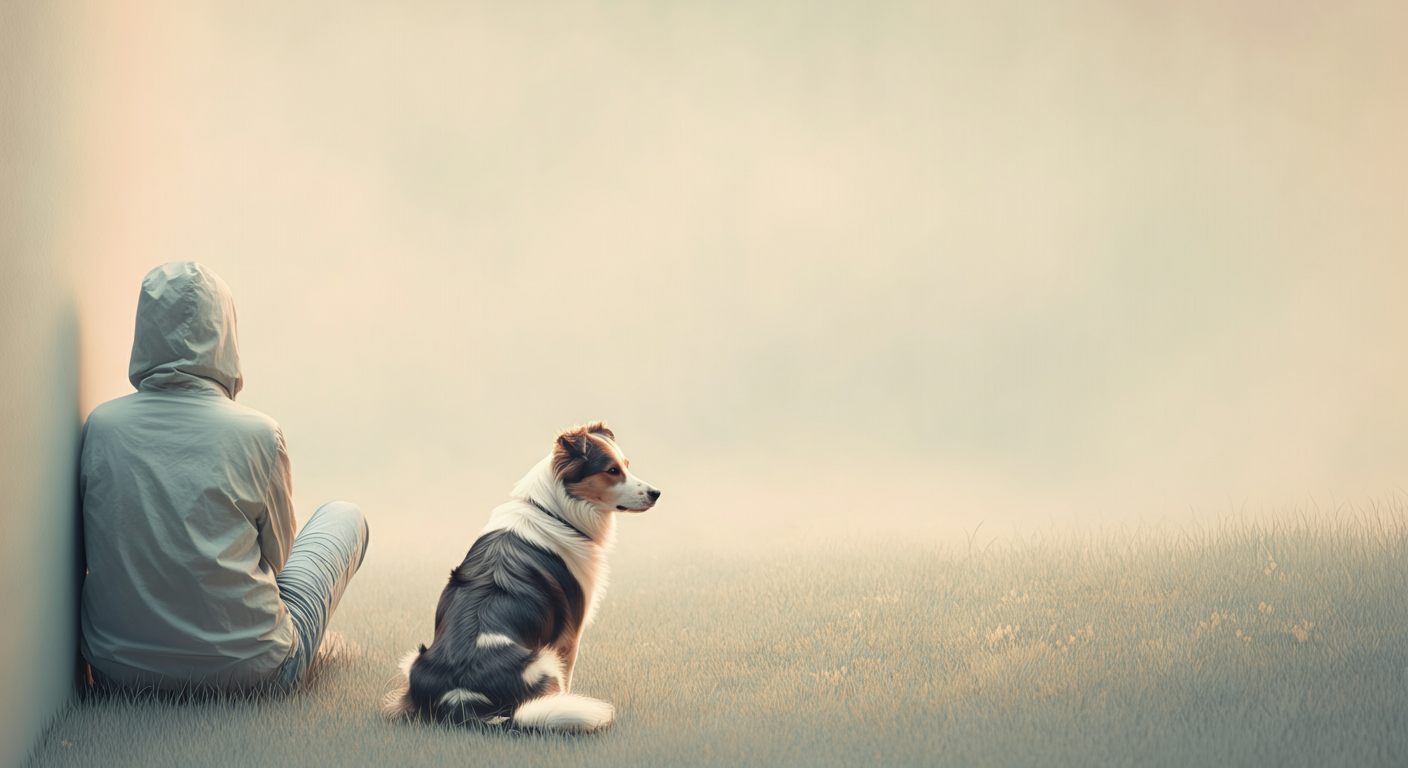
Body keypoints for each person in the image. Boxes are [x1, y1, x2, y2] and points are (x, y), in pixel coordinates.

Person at [78, 262, 369, 693]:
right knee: (345, 515)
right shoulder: (259, 433)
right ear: (225, 336)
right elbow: (280, 558)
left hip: (117, 674)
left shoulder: (101, 427)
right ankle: (306, 646)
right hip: (256, 673)